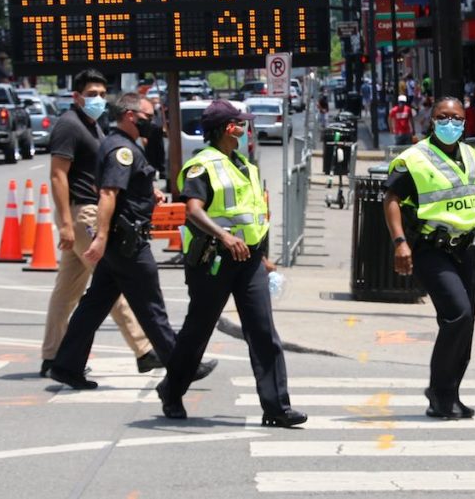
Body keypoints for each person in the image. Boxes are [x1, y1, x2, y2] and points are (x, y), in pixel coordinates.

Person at [48, 92, 216, 390]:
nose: (151, 123)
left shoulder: (122, 146)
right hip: (127, 242)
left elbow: (122, 189)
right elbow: (108, 194)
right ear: (129, 116)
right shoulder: (121, 150)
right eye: (147, 118)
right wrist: (100, 238)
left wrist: (148, 192)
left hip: (119, 242)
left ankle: (66, 365)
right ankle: (182, 367)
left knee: (94, 306)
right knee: (151, 307)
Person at [158, 100, 307, 426]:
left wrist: (263, 257)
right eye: (241, 123)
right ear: (228, 128)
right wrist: (225, 237)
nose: (245, 127)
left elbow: (255, 216)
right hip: (214, 259)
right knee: (198, 330)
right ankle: (172, 389)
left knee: (264, 331)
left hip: (249, 259)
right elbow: (193, 210)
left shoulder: (245, 165)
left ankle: (277, 408)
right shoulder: (202, 165)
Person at [383, 96, 475, 420]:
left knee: (465, 324)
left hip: (465, 249)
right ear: (432, 120)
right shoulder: (413, 159)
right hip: (430, 248)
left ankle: (450, 392)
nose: (450, 123)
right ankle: (438, 392)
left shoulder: (471, 155)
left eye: (456, 118)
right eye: (443, 117)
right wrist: (400, 242)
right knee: (457, 314)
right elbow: (391, 199)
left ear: (464, 121)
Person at [40, 71, 160, 379]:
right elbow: (58, 175)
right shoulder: (69, 125)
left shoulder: (92, 126)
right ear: (76, 96)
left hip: (85, 214)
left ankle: (53, 356)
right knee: (113, 282)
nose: (98, 99)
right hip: (84, 215)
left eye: (102, 93)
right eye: (92, 92)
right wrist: (66, 223)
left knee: (66, 291)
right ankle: (144, 349)